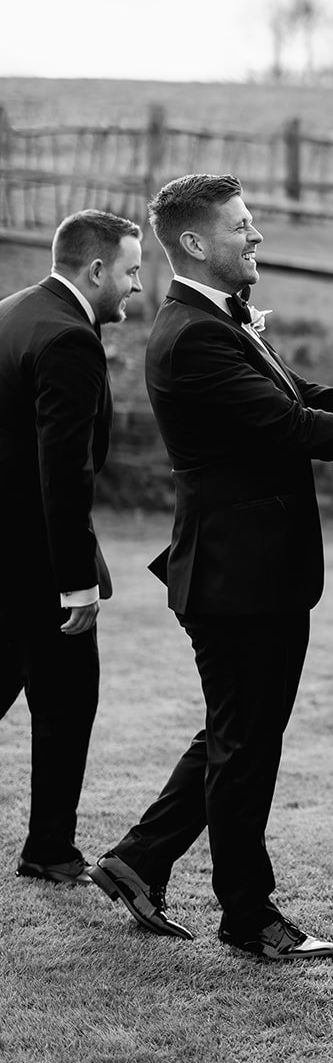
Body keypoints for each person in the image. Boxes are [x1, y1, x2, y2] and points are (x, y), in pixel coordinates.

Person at [88, 173, 333, 962]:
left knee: (234, 732)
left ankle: (138, 861)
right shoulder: (193, 334)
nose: (257, 237)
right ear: (195, 244)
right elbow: (288, 423)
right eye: (242, 225)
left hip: (247, 572)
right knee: (247, 745)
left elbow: (301, 389)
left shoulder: (218, 321)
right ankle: (247, 914)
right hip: (235, 577)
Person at [0, 210, 143, 885]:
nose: (136, 288)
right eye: (131, 272)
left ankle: (48, 846)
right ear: (96, 270)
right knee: (67, 702)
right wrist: (74, 579)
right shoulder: (68, 339)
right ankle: (49, 850)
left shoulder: (12, 312)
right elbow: (63, 471)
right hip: (35, 562)